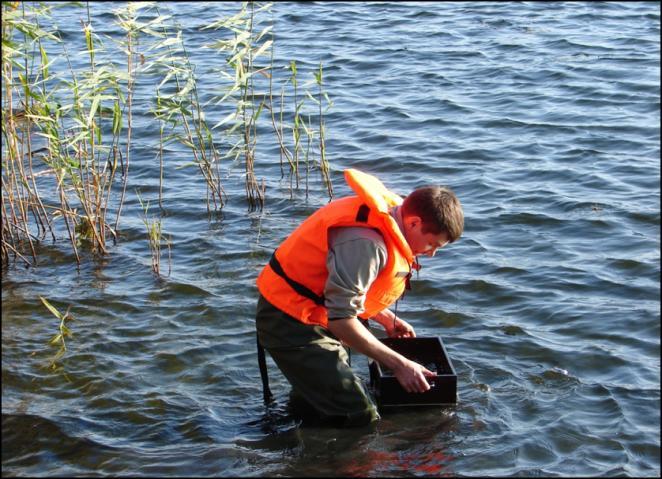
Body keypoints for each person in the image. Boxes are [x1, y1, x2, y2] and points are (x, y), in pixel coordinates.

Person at [255, 168, 464, 427]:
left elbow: (339, 289)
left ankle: (300, 444)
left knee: (315, 403)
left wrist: (383, 317)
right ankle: (342, 462)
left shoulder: (396, 217)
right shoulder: (366, 244)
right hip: (289, 319)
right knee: (359, 414)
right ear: (414, 223)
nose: (430, 254)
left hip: (314, 311)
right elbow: (341, 320)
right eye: (432, 245)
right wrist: (399, 364)